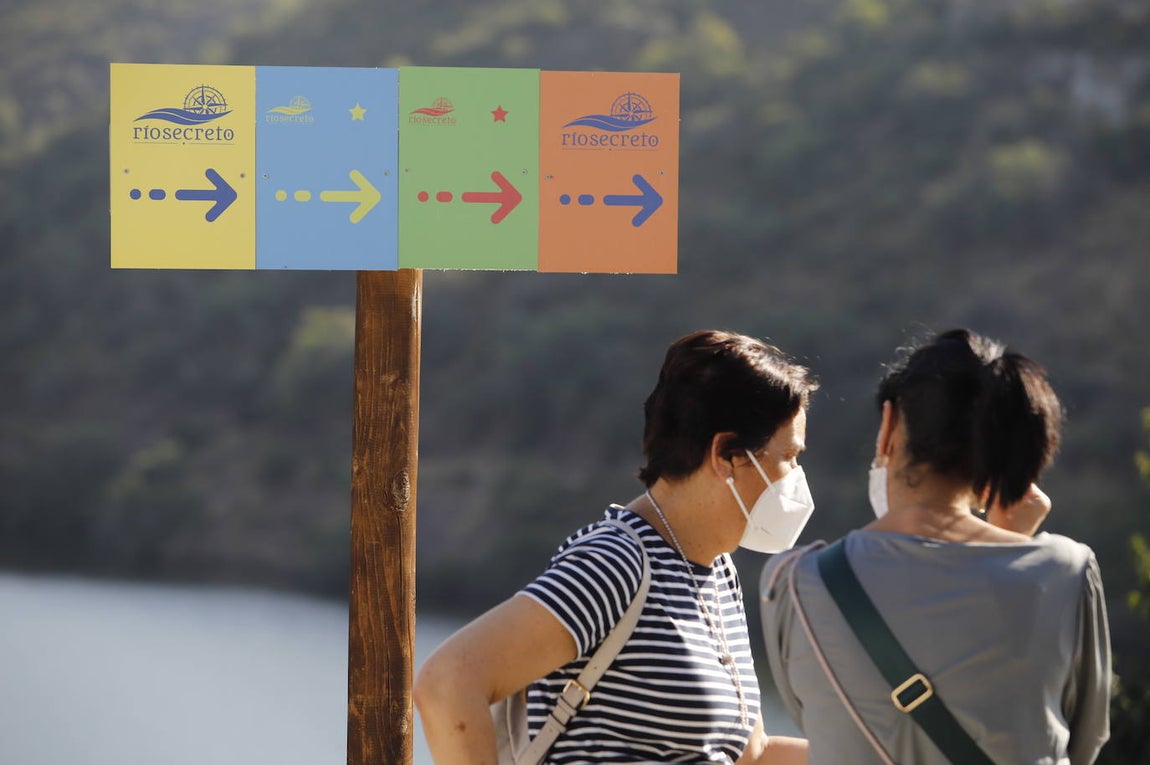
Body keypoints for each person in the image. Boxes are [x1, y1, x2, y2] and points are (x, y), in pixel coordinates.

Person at [415, 329, 817, 764]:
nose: (795, 476)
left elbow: (748, 756)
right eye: (788, 456)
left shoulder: (719, 574)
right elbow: (448, 682)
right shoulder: (618, 561)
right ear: (725, 453)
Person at [760, 328, 1112, 764]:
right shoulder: (1067, 571)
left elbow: (828, 722)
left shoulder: (794, 582)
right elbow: (1083, 740)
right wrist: (1016, 543)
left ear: (888, 426)